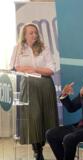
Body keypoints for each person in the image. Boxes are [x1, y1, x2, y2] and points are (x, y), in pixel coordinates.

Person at [9, 23, 58, 160]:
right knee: (33, 118)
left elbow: (51, 69)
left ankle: (43, 146)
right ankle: (37, 150)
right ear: (24, 35)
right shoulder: (18, 49)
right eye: (31, 33)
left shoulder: (44, 48)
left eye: (35, 32)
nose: (34, 35)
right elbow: (13, 67)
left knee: (46, 118)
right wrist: (25, 69)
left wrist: (34, 69)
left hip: (45, 85)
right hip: (29, 86)